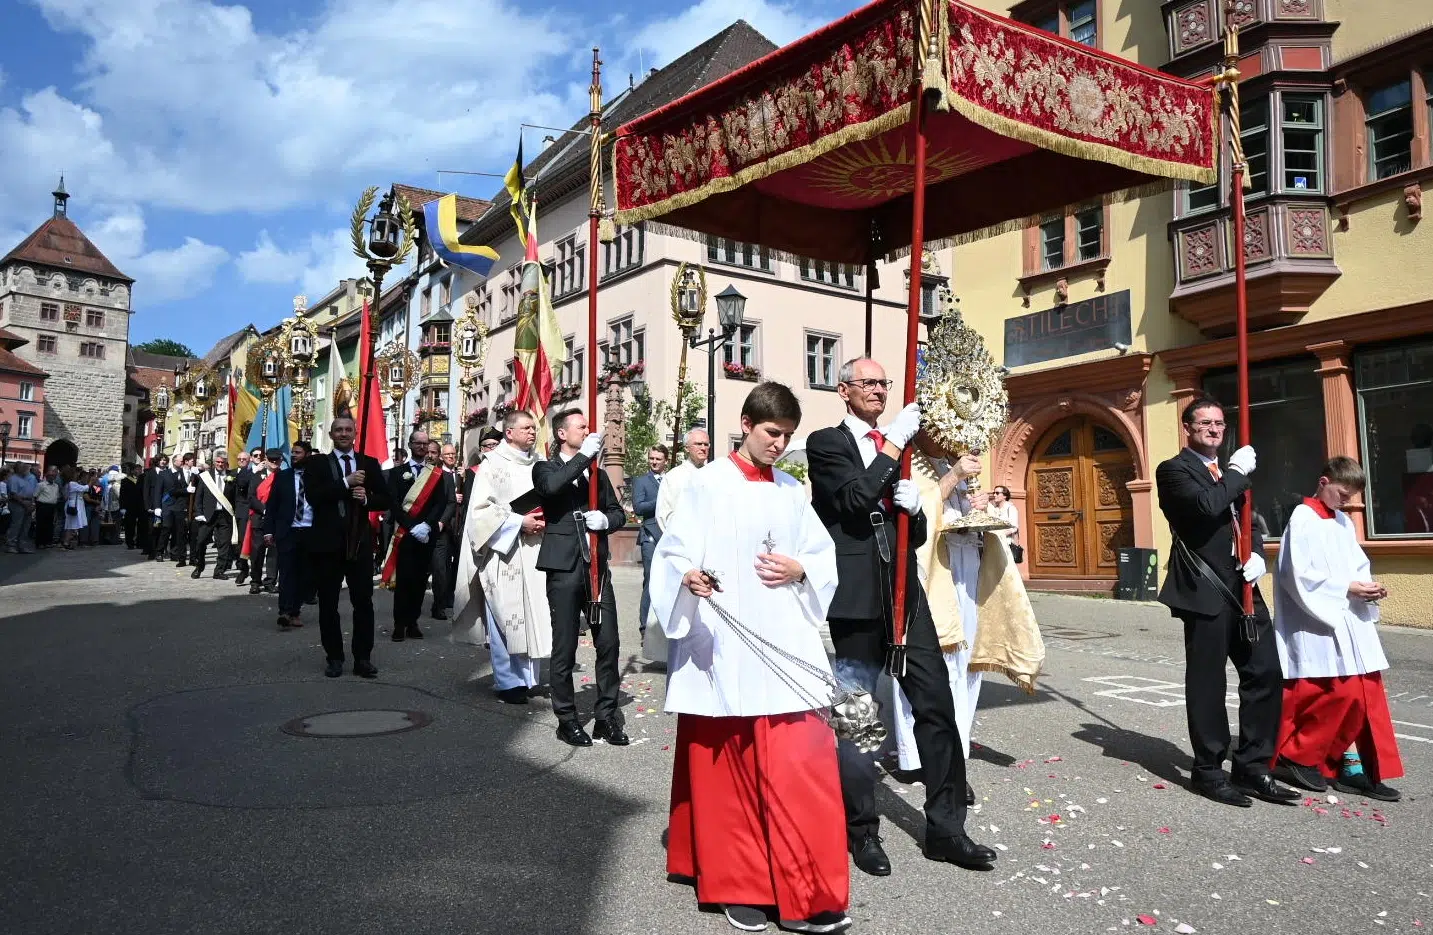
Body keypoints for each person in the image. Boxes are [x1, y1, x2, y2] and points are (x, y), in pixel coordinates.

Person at [652, 382, 850, 935]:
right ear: (745, 423)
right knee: (729, 766)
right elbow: (672, 552)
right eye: (771, 434)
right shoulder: (706, 484)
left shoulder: (791, 489)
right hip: (724, 639)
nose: (779, 446)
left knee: (802, 765)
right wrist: (686, 576)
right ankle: (742, 888)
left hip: (785, 640)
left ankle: (810, 890)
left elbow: (820, 553)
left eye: (787, 437)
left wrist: (802, 570)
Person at [806, 357, 994, 876]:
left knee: (937, 705)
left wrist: (916, 507)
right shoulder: (827, 443)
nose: (879, 390)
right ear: (843, 389)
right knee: (861, 719)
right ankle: (862, 831)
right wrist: (891, 446)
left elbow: (912, 515)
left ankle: (947, 829)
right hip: (857, 599)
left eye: (885, 383)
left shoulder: (901, 447)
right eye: (868, 382)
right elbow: (852, 499)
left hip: (904, 594)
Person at [1156, 395, 1298, 808]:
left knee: (1265, 672)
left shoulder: (1231, 471)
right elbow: (1206, 507)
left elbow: (1246, 520)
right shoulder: (1174, 471)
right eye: (1205, 423)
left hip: (1244, 586)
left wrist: (1258, 554)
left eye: (1219, 423)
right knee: (1207, 683)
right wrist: (1236, 471)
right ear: (1188, 428)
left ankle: (1253, 766)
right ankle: (1208, 770)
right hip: (1206, 589)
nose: (1215, 429)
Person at [1270, 456, 1403, 802]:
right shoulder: (1302, 518)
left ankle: (1356, 768)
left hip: (1349, 620)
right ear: (1324, 481)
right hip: (1318, 623)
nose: (1346, 502)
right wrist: (1346, 588)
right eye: (1343, 494)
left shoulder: (1343, 522)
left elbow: (1356, 564)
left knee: (1365, 696)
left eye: (1351, 497)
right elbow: (1294, 574)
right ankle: (1300, 754)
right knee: (1338, 693)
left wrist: (1368, 587)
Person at [532, 408, 628, 747]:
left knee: (609, 642)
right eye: (581, 427)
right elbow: (552, 488)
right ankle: (567, 719)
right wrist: (585, 455)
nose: (589, 430)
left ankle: (606, 717)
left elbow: (618, 512)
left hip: (597, 568)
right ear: (562, 433)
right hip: (564, 567)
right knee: (565, 646)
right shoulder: (545, 467)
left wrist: (606, 520)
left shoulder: (596, 474)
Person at [453, 412, 552, 704]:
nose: (532, 432)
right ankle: (509, 682)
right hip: (503, 551)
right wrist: (519, 523)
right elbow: (480, 513)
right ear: (509, 433)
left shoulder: (539, 464)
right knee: (504, 616)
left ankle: (529, 678)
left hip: (534, 549)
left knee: (531, 612)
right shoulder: (492, 465)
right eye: (526, 428)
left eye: (534, 428)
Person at [301, 414, 393, 677]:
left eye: (348, 430)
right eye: (338, 430)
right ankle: (334, 657)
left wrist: (367, 499)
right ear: (331, 435)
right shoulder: (317, 464)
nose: (343, 434)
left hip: (359, 543)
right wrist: (345, 483)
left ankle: (363, 657)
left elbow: (385, 500)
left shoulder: (369, 464)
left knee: (363, 602)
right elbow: (314, 497)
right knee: (328, 603)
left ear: (355, 434)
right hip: (327, 544)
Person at [383, 430, 453, 641]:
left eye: (425, 444)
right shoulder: (397, 473)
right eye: (418, 443)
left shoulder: (436, 474)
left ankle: (413, 622)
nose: (422, 447)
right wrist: (411, 525)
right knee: (403, 580)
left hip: (426, 534)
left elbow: (440, 503)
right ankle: (399, 624)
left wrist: (427, 525)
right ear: (411, 445)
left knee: (420, 580)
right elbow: (394, 504)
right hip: (405, 533)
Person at [263, 441, 313, 631]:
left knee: (304, 574)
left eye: (298, 453)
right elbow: (272, 506)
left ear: (307, 455)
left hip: (309, 531)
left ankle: (295, 611)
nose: (293, 456)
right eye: (292, 453)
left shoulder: (315, 477)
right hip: (288, 531)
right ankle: (284, 611)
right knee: (286, 573)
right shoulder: (283, 477)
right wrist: (269, 530)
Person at [631, 444, 668, 636]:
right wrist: (662, 498)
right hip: (650, 537)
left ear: (665, 461)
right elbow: (638, 507)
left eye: (658, 459)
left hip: (669, 537)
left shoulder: (670, 480)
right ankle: (645, 627)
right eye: (651, 458)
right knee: (651, 580)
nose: (654, 462)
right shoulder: (641, 481)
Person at [189, 452, 238, 579]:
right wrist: (198, 513)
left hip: (225, 515)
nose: (220, 464)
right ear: (214, 463)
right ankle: (199, 567)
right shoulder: (206, 477)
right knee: (200, 542)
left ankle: (219, 571)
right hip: (208, 514)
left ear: (226, 463)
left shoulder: (231, 476)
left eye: (222, 462)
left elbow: (235, 497)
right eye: (218, 462)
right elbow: (198, 497)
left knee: (224, 544)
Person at [429, 441, 461, 621]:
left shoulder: (459, 475)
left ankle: (447, 599)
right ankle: (438, 603)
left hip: (455, 527)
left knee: (451, 567)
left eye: (453, 454)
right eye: (447, 454)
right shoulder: (437, 474)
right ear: (441, 456)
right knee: (439, 568)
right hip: (440, 527)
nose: (451, 457)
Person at [656, 429, 711, 532]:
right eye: (698, 444)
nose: (703, 448)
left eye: (706, 444)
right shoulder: (674, 477)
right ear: (687, 448)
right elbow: (664, 515)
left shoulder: (713, 476)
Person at [244, 450, 281, 594]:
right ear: (266, 460)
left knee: (274, 553)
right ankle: (255, 581)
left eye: (277, 460)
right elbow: (251, 497)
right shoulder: (257, 476)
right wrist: (265, 510)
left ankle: (270, 581)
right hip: (259, 518)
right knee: (257, 552)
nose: (274, 463)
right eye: (271, 460)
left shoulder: (283, 476)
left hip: (277, 520)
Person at [232, 447, 260, 586]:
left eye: (261, 456)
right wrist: (255, 471)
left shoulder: (269, 471)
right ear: (251, 458)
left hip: (261, 512)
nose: (258, 458)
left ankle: (257, 576)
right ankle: (243, 568)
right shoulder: (246, 471)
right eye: (255, 455)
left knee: (258, 546)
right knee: (242, 543)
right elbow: (242, 483)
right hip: (245, 511)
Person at [157, 454, 190, 564]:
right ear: (174, 461)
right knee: (166, 529)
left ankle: (174, 553)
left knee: (177, 530)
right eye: (181, 461)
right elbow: (158, 491)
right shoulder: (164, 474)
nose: (182, 463)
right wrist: (157, 507)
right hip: (167, 505)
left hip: (179, 506)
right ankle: (160, 552)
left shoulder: (184, 473)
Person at [4, 461, 37, 553]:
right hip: (18, 504)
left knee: (25, 526)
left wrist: (32, 504)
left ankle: (22, 545)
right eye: (22, 467)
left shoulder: (26, 479)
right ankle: (11, 544)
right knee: (16, 524)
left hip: (28, 502)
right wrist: (23, 503)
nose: (25, 469)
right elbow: (13, 494)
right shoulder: (13, 479)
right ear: (17, 468)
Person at [141, 455, 169, 559]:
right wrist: (148, 506)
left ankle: (160, 551)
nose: (163, 462)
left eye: (165, 460)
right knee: (153, 529)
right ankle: (152, 551)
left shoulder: (167, 473)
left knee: (164, 529)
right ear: (157, 461)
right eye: (161, 460)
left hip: (165, 505)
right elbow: (146, 491)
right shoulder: (150, 474)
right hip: (153, 507)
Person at [986, 485, 1019, 553]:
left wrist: (1001, 535)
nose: (994, 495)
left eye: (997, 493)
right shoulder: (994, 509)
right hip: (995, 544)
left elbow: (1014, 527)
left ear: (1005, 496)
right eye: (994, 493)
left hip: (1007, 544)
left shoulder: (1011, 508)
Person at [33, 466, 60, 550]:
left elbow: (56, 496)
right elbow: (35, 495)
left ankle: (48, 542)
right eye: (51, 476)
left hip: (52, 506)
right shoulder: (41, 485)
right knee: (41, 525)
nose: (52, 478)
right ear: (47, 476)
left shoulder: (56, 486)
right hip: (42, 506)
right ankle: (40, 542)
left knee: (50, 525)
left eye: (54, 476)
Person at [61, 466, 87, 550]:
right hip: (74, 505)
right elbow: (84, 488)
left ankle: (67, 541)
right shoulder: (72, 483)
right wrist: (90, 482)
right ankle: (66, 541)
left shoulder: (68, 484)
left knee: (71, 525)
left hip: (72, 503)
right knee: (71, 525)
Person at [120, 464, 142, 549]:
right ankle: (130, 543)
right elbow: (122, 495)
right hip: (129, 506)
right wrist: (122, 507)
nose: (139, 471)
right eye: (137, 469)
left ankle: (139, 542)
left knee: (141, 525)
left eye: (140, 469)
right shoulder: (126, 480)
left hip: (140, 505)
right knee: (130, 525)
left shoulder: (142, 480)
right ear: (132, 471)